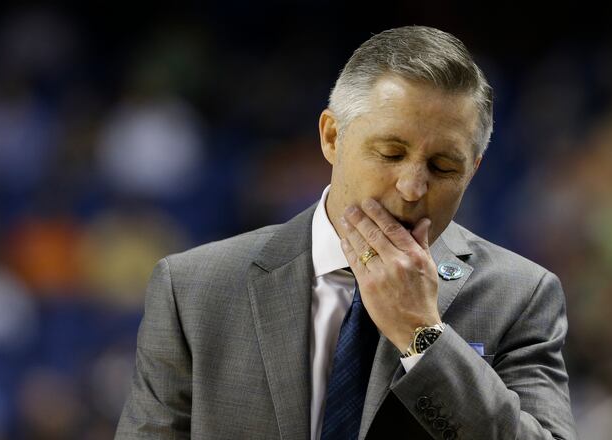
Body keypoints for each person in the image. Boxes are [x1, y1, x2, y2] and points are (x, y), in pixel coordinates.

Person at [115, 25, 576, 439]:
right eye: (391, 154)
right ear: (332, 137)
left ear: (472, 171)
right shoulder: (194, 289)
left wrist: (422, 335)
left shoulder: (521, 297)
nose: (412, 187)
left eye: (443, 166)